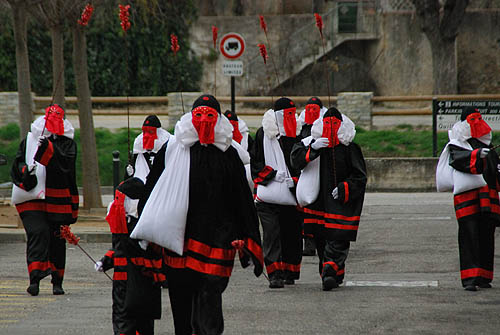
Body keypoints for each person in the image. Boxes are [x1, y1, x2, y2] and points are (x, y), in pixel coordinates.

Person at [132, 94, 264, 335]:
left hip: (218, 238)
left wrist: (245, 235)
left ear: (218, 120)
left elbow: (241, 198)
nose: (204, 120)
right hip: (180, 239)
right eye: (199, 115)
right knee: (181, 298)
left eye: (209, 116)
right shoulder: (173, 149)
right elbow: (154, 186)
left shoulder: (228, 154)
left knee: (209, 298)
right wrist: (145, 218)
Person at [291, 107, 367, 291]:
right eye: (327, 124)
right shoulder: (312, 142)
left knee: (338, 239)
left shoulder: (350, 148)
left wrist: (344, 188)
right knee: (321, 241)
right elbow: (295, 160)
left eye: (334, 124)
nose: (330, 128)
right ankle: (331, 274)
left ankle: (329, 273)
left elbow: (360, 176)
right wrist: (312, 149)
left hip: (340, 204)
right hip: (318, 203)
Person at [11, 104, 78, 296]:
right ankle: (35, 278)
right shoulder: (30, 139)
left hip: (57, 198)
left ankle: (57, 280)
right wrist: (27, 171)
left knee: (57, 238)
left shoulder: (68, 143)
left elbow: (65, 165)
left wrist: (47, 148)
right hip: (31, 196)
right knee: (38, 232)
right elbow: (18, 163)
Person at [436, 106, 499, 291]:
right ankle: (470, 278)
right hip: (468, 200)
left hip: (487, 199)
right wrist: (476, 155)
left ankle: (484, 276)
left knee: (487, 235)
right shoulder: (457, 144)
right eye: (473, 120)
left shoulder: (487, 145)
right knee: (469, 236)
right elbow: (457, 160)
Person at [96, 177, 163, 335]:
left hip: (139, 284)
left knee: (139, 321)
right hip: (122, 284)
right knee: (123, 319)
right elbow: (119, 249)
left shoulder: (144, 226)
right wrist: (105, 261)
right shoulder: (124, 222)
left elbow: (152, 255)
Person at [250, 97, 303, 288]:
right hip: (269, 195)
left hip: (292, 194)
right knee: (271, 234)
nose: (290, 118)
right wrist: (272, 174)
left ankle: (290, 272)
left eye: (293, 113)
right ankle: (274, 274)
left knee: (292, 234)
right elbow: (255, 163)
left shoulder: (297, 135)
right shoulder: (264, 135)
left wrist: (297, 180)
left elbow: (303, 163)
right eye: (286, 114)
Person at [298, 96, 328, 256]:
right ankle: (309, 244)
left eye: (314, 109)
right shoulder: (301, 128)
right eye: (308, 109)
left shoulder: (324, 127)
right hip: (305, 171)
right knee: (306, 211)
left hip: (321, 173)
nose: (310, 112)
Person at [125, 114, 170, 182]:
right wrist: (129, 173)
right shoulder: (139, 149)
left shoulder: (167, 146)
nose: (146, 136)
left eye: (150, 132)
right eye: (144, 132)